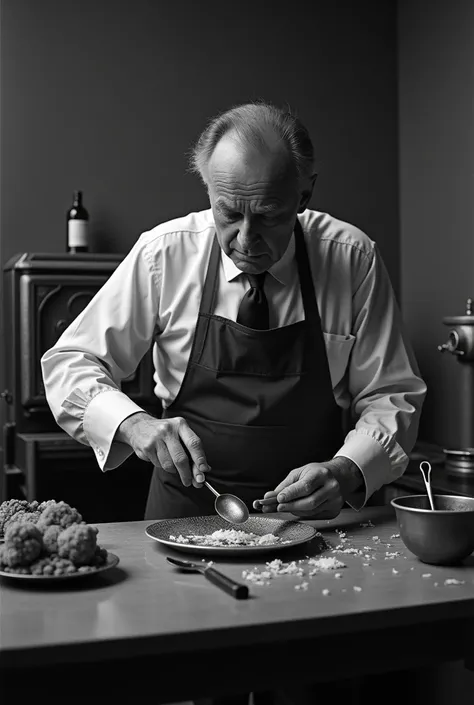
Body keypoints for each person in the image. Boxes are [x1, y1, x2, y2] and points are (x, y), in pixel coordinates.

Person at [41, 100, 426, 704]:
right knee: (187, 683)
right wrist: (136, 424)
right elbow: (70, 364)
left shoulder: (351, 259)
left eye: (269, 217)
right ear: (209, 192)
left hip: (315, 532)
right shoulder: (166, 253)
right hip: (184, 526)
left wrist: (349, 469)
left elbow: (391, 394)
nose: (246, 240)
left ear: (305, 193)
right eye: (230, 214)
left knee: (310, 686)